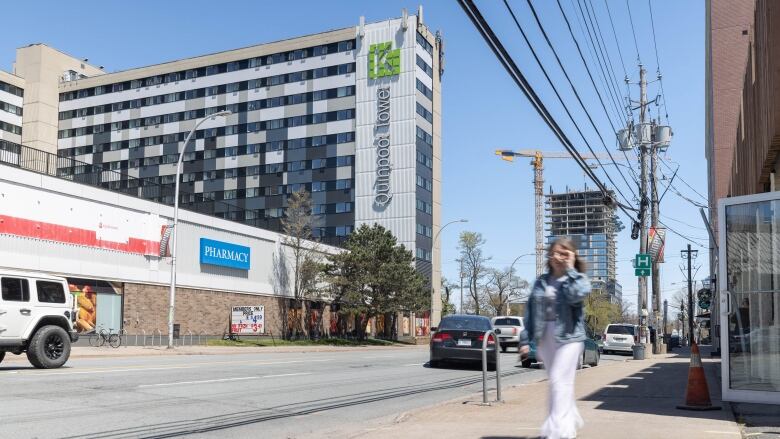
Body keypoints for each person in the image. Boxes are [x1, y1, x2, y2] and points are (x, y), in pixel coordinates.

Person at [519, 237, 591, 439]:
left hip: (569, 337)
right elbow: (530, 313)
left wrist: (570, 269)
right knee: (556, 383)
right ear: (549, 255)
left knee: (559, 381)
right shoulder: (541, 282)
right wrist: (525, 341)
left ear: (572, 255)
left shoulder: (577, 279)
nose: (558, 257)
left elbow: (577, 295)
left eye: (564, 253)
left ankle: (555, 432)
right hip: (545, 337)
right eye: (555, 253)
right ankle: (567, 424)